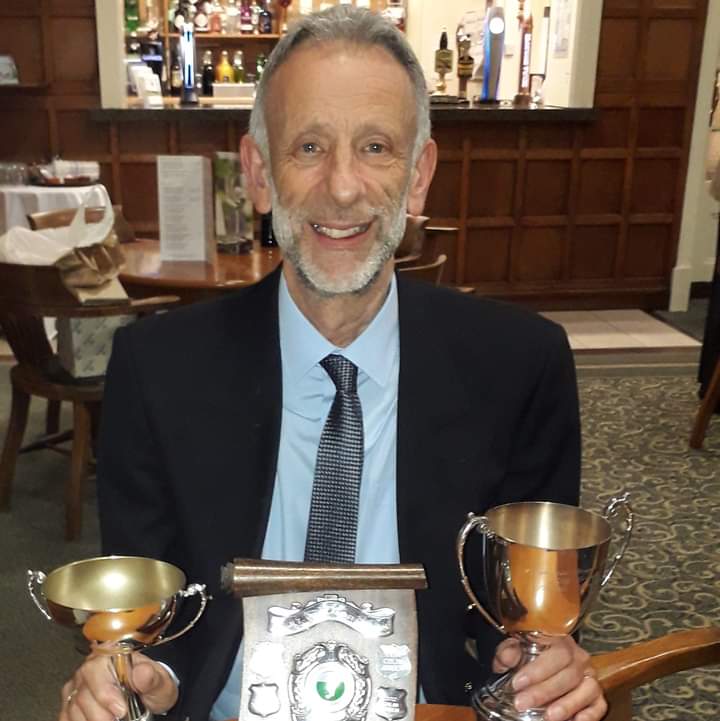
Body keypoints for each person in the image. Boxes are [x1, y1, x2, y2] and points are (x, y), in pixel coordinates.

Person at [58, 7, 606, 721]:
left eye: (376, 147)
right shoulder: (157, 369)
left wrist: (547, 664)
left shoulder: (520, 367)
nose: (343, 187)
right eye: (308, 147)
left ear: (418, 177)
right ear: (259, 174)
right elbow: (154, 616)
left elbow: (522, 622)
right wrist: (135, 673)